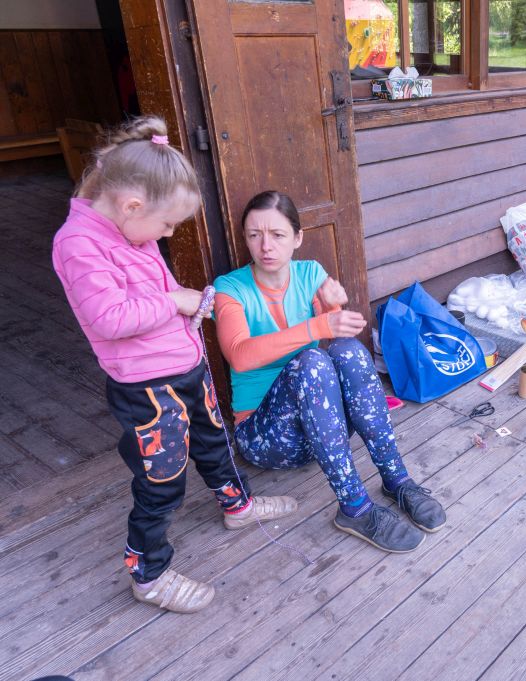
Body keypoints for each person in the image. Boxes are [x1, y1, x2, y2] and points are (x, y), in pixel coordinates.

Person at [51, 117, 297, 614]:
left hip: (186, 368)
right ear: (131, 205)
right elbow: (109, 317)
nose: (167, 234)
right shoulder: (79, 244)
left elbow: (154, 292)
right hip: (147, 389)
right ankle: (149, 573)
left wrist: (185, 303)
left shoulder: (132, 231)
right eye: (166, 225)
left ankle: (238, 505)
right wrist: (176, 302)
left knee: (214, 442)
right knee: (161, 480)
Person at [213, 190, 445, 555]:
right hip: (267, 439)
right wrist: (317, 325)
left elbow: (338, 334)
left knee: (347, 350)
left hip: (323, 433)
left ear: (297, 238)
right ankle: (354, 507)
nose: (265, 246)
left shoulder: (309, 273)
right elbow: (239, 356)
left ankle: (396, 478)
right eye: (254, 235)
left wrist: (334, 308)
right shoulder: (229, 288)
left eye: (277, 235)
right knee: (312, 361)